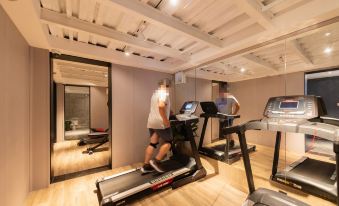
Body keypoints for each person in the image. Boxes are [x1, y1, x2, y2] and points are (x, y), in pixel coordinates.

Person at [141, 79, 172, 174]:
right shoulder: (163, 93)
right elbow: (161, 106)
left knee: (153, 143)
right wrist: (166, 120)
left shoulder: (155, 94)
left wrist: (169, 112)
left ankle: (146, 166)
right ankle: (156, 161)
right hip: (160, 123)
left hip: (151, 122)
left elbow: (160, 106)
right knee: (169, 142)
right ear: (167, 86)